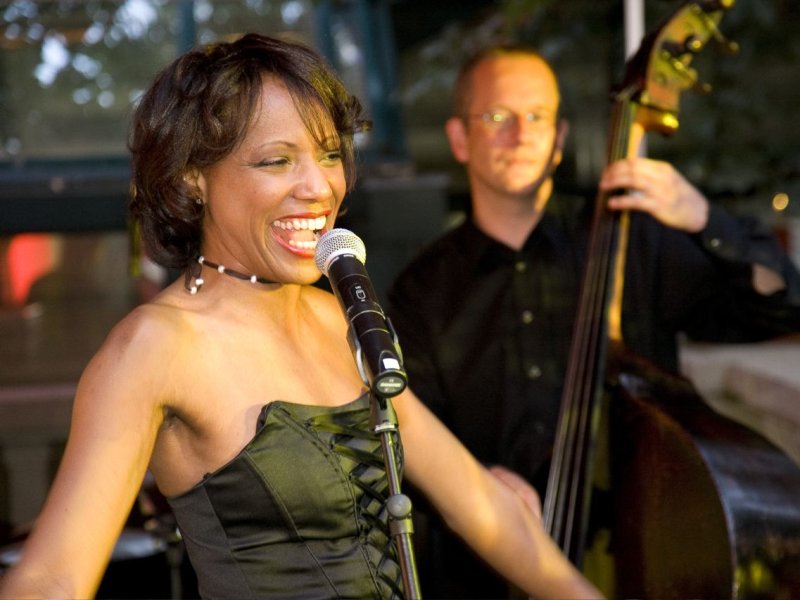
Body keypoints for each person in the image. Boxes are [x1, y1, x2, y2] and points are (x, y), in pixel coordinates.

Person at [0, 34, 603, 600]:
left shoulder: (337, 315)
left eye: (330, 154)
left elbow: (479, 504)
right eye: (276, 161)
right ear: (194, 178)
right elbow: (51, 580)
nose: (319, 187)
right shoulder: (154, 347)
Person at [386, 44, 800, 598]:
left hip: (643, 556)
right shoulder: (421, 289)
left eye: (538, 117)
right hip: (486, 572)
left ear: (559, 139)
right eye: (497, 117)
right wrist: (473, 475)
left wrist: (704, 217)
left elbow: (777, 307)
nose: (520, 133)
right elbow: (407, 428)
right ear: (460, 138)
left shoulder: (632, 239)